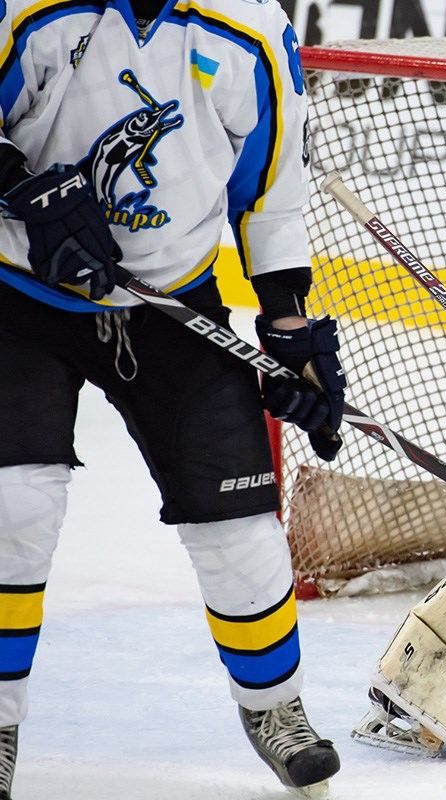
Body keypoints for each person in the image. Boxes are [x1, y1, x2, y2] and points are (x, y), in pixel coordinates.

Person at [0, 0, 346, 795]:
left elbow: (271, 189)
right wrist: (22, 188)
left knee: (242, 525)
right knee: (13, 504)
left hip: (173, 306)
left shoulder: (249, 28)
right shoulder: (28, 9)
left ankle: (277, 708)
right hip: (19, 297)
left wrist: (288, 325)